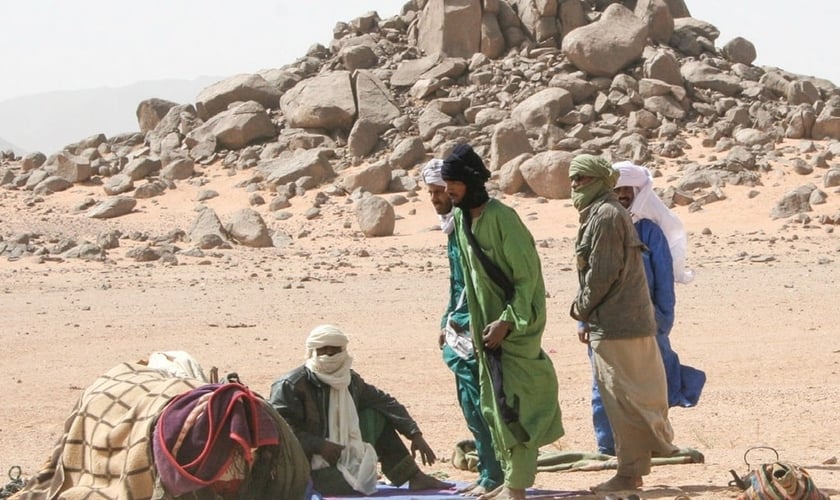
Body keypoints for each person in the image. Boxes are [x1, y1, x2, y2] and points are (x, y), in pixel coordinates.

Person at [441, 143, 564, 500]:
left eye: (454, 185)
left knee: (518, 408)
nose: (449, 192)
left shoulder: (503, 219)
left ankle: (517, 488)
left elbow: (527, 279)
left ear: (470, 181)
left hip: (515, 331)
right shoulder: (463, 221)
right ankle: (510, 482)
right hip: (484, 335)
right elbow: (467, 282)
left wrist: (507, 322)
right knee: (492, 407)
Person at [568, 154, 678, 492]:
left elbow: (601, 275)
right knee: (625, 398)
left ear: (600, 182)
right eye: (573, 180)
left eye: (582, 180)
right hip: (623, 322)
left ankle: (629, 475)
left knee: (622, 400)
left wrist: (580, 310)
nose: (575, 187)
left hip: (618, 324)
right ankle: (630, 467)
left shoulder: (604, 216)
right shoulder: (606, 214)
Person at [588, 162, 706, 456]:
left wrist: (661, 323)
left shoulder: (650, 232)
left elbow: (663, 282)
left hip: (646, 322)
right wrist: (583, 322)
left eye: (627, 189)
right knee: (605, 385)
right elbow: (589, 276)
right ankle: (608, 448)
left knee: (651, 386)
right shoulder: (598, 225)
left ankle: (653, 444)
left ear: (638, 192)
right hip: (604, 322)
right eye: (616, 189)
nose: (622, 194)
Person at [268, 324, 450, 496]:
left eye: (335, 350)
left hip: (340, 457)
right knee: (348, 485)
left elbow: (386, 403)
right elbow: (280, 432)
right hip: (305, 470)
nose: (329, 354)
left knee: (375, 415)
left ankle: (414, 477)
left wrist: (414, 434)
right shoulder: (290, 385)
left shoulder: (350, 382)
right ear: (312, 352)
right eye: (323, 350)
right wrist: (319, 445)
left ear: (344, 351)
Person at [421, 158, 503, 496]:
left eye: (441, 191)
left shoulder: (474, 224)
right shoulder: (453, 227)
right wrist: (446, 321)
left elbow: (481, 282)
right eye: (431, 192)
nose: (436, 198)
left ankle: (498, 474)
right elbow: (457, 283)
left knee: (486, 404)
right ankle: (487, 471)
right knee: (469, 403)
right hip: (459, 328)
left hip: (479, 327)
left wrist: (463, 321)